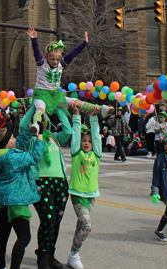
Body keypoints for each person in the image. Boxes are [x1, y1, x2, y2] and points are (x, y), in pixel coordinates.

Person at [0, 122, 44, 269]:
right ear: (7, 143)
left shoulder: (0, 154)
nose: (15, 139)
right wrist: (40, 136)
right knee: (24, 237)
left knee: (3, 234)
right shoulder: (13, 158)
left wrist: (33, 126)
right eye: (13, 137)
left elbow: (18, 143)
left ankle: (1, 266)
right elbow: (36, 156)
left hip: (3, 201)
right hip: (16, 201)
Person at [26, 27, 112, 135]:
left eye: (57, 59)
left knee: (75, 102)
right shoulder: (41, 64)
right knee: (40, 107)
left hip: (55, 96)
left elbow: (72, 54)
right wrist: (34, 39)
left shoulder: (60, 65)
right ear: (46, 56)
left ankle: (101, 109)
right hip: (42, 94)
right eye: (52, 59)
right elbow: (36, 52)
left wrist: (84, 43)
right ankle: (35, 124)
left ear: (60, 57)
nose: (55, 62)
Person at [19, 106, 72, 269]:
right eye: (39, 121)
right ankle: (42, 255)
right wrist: (35, 107)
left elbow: (68, 131)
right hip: (40, 183)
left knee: (56, 222)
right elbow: (22, 126)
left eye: (44, 121)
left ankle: (50, 255)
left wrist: (59, 108)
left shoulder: (56, 137)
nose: (42, 123)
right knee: (49, 219)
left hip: (61, 183)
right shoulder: (32, 138)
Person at [66, 104, 101, 269]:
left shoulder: (96, 154)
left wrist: (93, 117)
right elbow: (75, 133)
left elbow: (96, 135)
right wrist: (77, 115)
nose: (87, 143)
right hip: (78, 194)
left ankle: (73, 254)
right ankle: (74, 254)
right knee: (87, 225)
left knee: (81, 226)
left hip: (91, 195)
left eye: (89, 141)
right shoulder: (76, 153)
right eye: (84, 141)